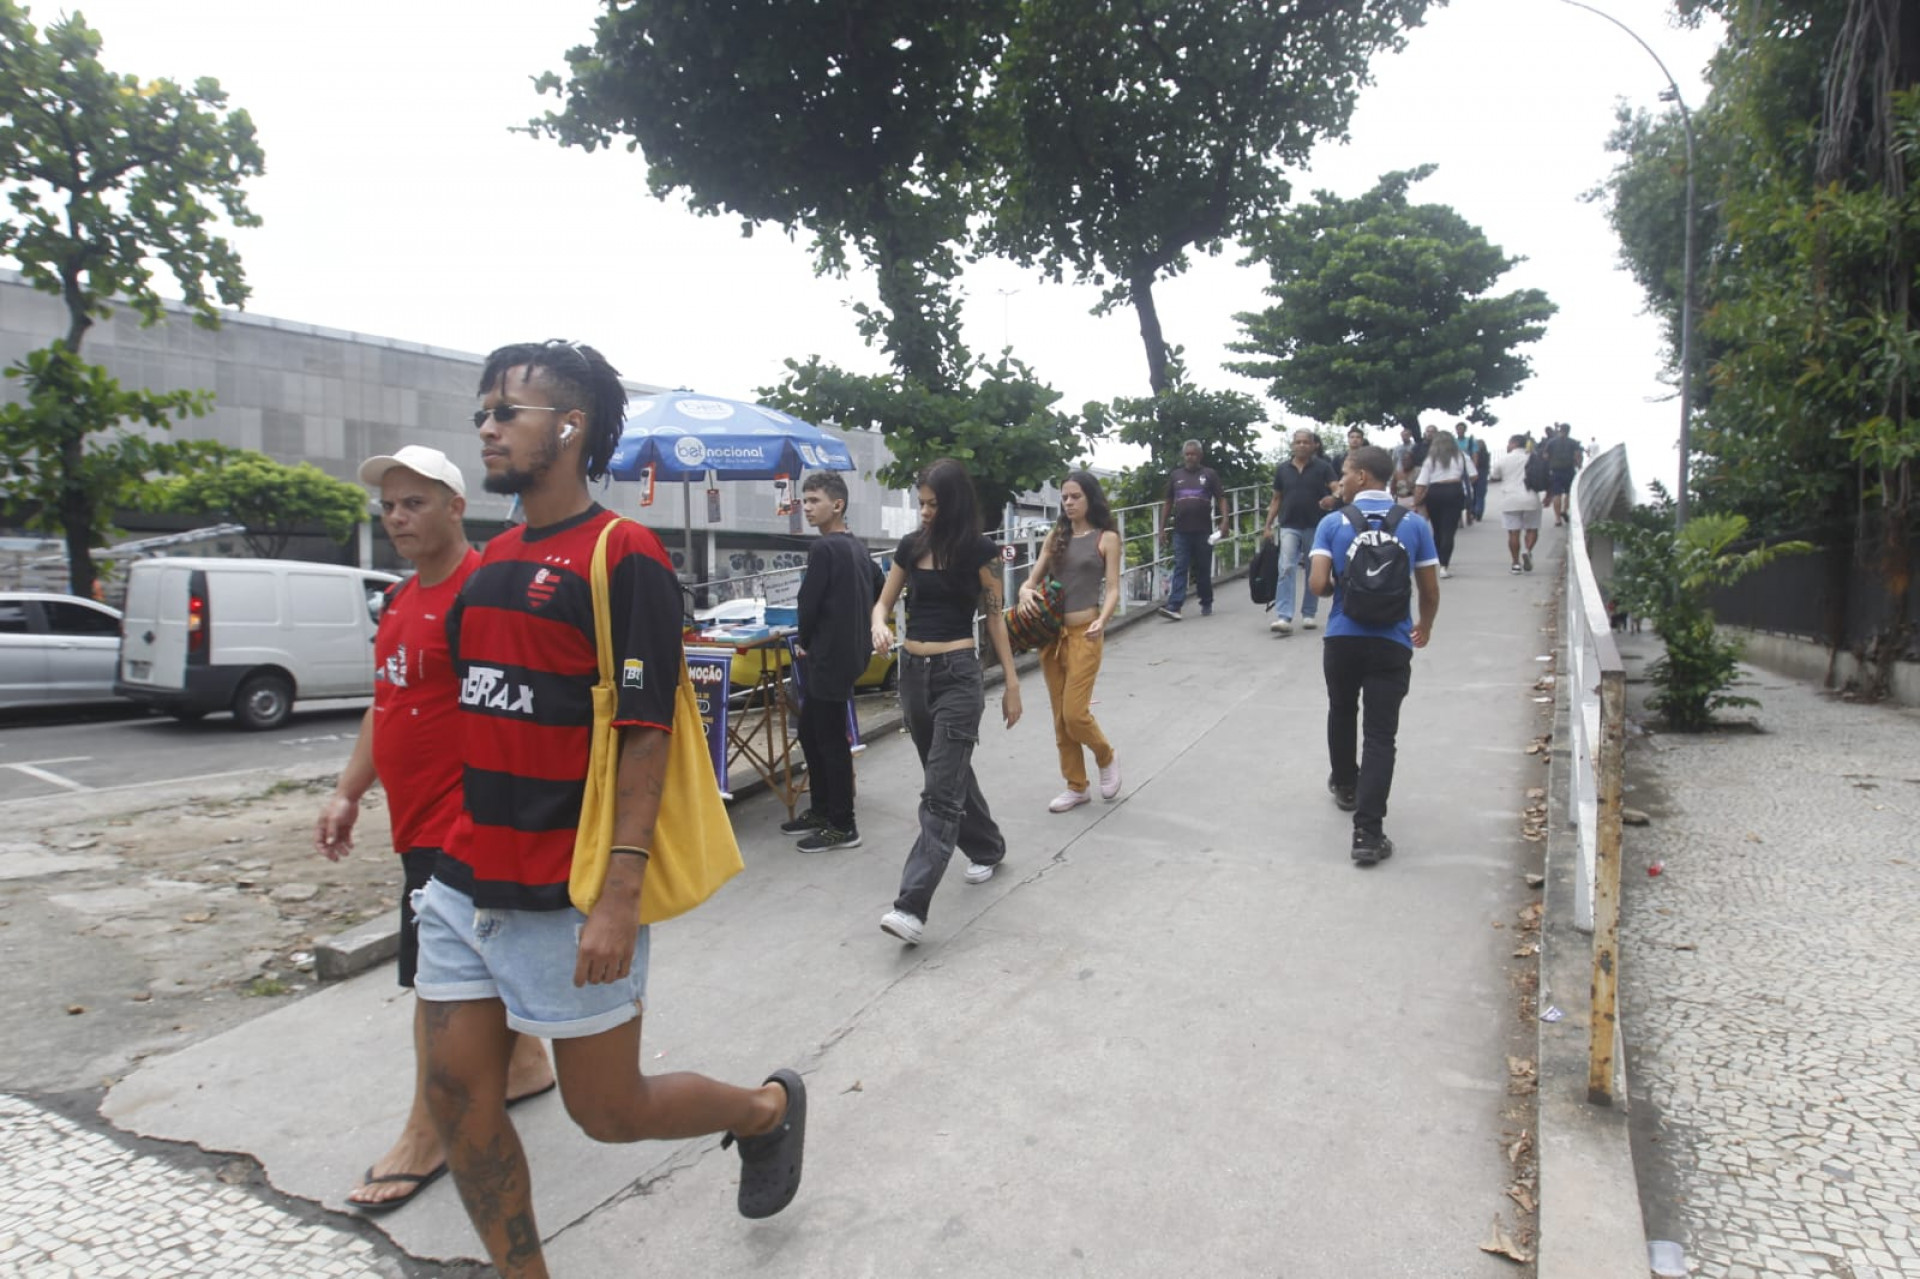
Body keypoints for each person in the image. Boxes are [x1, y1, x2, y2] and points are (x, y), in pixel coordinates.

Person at [415, 340, 806, 1275]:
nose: (487, 428)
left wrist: (620, 896)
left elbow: (646, 730)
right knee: (457, 1103)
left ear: (570, 426)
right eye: (482, 412)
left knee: (608, 1110)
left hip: (569, 888)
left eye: (506, 412)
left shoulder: (622, 554)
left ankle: (766, 1111)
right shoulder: (487, 562)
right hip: (463, 882)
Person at [316, 444, 556, 1213]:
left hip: (460, 830)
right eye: (388, 505)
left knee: (437, 985)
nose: (396, 517)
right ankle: (524, 1066)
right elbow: (386, 701)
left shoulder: (482, 594)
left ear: (457, 506)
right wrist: (348, 791)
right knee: (477, 966)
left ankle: (427, 1133)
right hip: (412, 818)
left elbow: (522, 706)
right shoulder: (397, 600)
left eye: (414, 502)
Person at [870, 457, 1022, 945]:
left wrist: (1012, 684)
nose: (925, 512)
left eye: (933, 504)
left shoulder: (982, 553)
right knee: (949, 774)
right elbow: (883, 602)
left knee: (938, 792)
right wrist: (878, 625)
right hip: (913, 676)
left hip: (958, 676)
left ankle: (911, 906)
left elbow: (995, 618)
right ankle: (988, 846)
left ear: (953, 502)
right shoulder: (911, 546)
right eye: (922, 503)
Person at [1308, 446, 1441, 868]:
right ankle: (1368, 834)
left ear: (1363, 476)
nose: (1340, 481)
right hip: (1392, 642)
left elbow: (1317, 584)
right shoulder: (1414, 524)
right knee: (1381, 735)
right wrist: (1424, 625)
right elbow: (1430, 590)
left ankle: (1346, 785)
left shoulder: (1333, 522)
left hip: (1343, 637)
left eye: (1345, 473)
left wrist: (1340, 589)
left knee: (1342, 709)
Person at [784, 471, 877, 853]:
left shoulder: (823, 549)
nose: (806, 507)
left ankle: (843, 824)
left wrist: (806, 641)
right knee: (810, 732)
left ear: (837, 505)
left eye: (814, 501)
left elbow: (808, 603)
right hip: (849, 653)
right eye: (804, 500)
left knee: (830, 740)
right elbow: (878, 585)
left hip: (828, 656)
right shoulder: (857, 546)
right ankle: (822, 809)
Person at [1020, 469, 1122, 813]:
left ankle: (1106, 755)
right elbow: (1030, 581)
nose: (1069, 502)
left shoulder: (1106, 538)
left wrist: (1102, 620)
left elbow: (1113, 588)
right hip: (1052, 636)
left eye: (1075, 496)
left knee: (1075, 714)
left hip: (1086, 633)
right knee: (1060, 719)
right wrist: (1025, 593)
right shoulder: (1056, 537)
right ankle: (1076, 786)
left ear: (1090, 498)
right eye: (1064, 497)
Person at [1262, 428, 1339, 635]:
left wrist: (1333, 498)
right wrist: (1268, 525)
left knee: (1314, 570)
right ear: (1292, 445)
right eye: (1298, 442)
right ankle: (1284, 616)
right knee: (1286, 567)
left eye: (1306, 442)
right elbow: (1276, 498)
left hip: (1316, 525)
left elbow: (1337, 488)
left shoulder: (1323, 467)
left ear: (1314, 445)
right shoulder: (1283, 469)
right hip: (1289, 525)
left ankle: (1309, 613)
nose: (1302, 445)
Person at [1157, 440, 1229, 620]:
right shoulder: (1176, 476)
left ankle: (1206, 601)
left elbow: (1221, 498)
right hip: (1181, 530)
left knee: (1203, 568)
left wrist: (1225, 521)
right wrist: (1161, 528)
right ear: (1184, 456)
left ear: (1200, 455)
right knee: (1180, 566)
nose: (1190, 457)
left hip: (1203, 530)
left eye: (1194, 454)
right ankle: (1175, 606)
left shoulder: (1209, 474)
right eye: (1187, 454)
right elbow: (1168, 502)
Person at [1411, 429, 1471, 578]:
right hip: (1454, 490)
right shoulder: (1461, 456)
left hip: (1435, 492)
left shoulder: (1430, 459)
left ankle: (1437, 560)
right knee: (1448, 530)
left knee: (1437, 529)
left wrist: (1416, 502)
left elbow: (1421, 483)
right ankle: (1444, 566)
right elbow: (1474, 475)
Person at [1488, 433, 1548, 573]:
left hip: (1510, 499)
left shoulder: (1504, 459)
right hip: (1531, 497)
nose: (1507, 446)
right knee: (1532, 529)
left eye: (1509, 443)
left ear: (1514, 443)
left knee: (1513, 533)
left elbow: (1494, 476)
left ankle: (1515, 564)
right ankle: (1527, 550)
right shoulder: (1533, 458)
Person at [1545, 422, 1585, 525]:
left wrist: (1550, 462)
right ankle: (1564, 510)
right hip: (1569, 470)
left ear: (1560, 430)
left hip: (1555, 471)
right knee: (1568, 492)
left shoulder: (1551, 442)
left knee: (1556, 494)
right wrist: (1579, 466)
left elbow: (1545, 456)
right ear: (1569, 431)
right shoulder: (1573, 442)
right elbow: (1577, 456)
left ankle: (1557, 519)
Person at [1454, 421, 1491, 526]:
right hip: (1457, 470)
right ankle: (1462, 517)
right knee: (1460, 493)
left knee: (1473, 493)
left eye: (1461, 429)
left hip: (1468, 469)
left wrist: (1473, 469)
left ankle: (1474, 513)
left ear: (1465, 430)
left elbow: (1475, 455)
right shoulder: (1454, 442)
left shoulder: (1470, 441)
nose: (1460, 431)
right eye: (1458, 429)